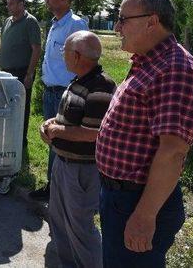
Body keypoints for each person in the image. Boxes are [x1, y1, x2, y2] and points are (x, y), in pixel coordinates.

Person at [96, 0, 193, 267]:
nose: (118, 27)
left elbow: (172, 152)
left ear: (152, 21)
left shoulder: (174, 70)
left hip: (138, 202)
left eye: (123, 19)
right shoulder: (150, 61)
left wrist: (144, 217)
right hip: (121, 196)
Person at [40, 31, 116, 268]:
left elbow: (93, 133)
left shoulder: (101, 86)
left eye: (64, 51)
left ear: (77, 55)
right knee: (59, 220)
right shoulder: (79, 80)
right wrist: (50, 123)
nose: (62, 55)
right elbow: (71, 118)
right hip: (64, 164)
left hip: (82, 171)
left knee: (80, 228)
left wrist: (57, 131)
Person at [29, 0, 88, 201]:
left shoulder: (76, 25)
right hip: (51, 91)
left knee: (64, 142)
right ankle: (52, 188)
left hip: (66, 92)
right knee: (52, 139)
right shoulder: (55, 24)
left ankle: (63, 191)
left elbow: (85, 60)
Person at [0, 0, 41, 147]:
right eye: (8, 3)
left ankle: (20, 142)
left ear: (21, 4)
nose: (9, 6)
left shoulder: (30, 22)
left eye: (12, 3)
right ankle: (6, 136)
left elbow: (36, 49)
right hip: (4, 71)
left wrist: (30, 73)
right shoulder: (7, 21)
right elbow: (4, 46)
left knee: (21, 107)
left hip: (21, 72)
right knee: (5, 104)